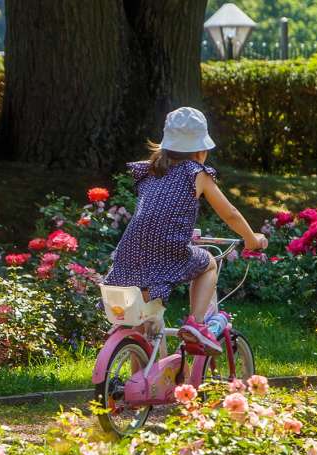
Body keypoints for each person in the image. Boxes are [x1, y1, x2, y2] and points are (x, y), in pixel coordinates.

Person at [103, 107, 267, 355]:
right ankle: (196, 324)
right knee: (208, 263)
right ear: (202, 150)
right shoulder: (195, 173)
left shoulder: (151, 170)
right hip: (166, 251)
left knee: (141, 325)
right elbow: (230, 213)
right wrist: (251, 239)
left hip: (130, 252)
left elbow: (157, 212)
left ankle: (139, 382)